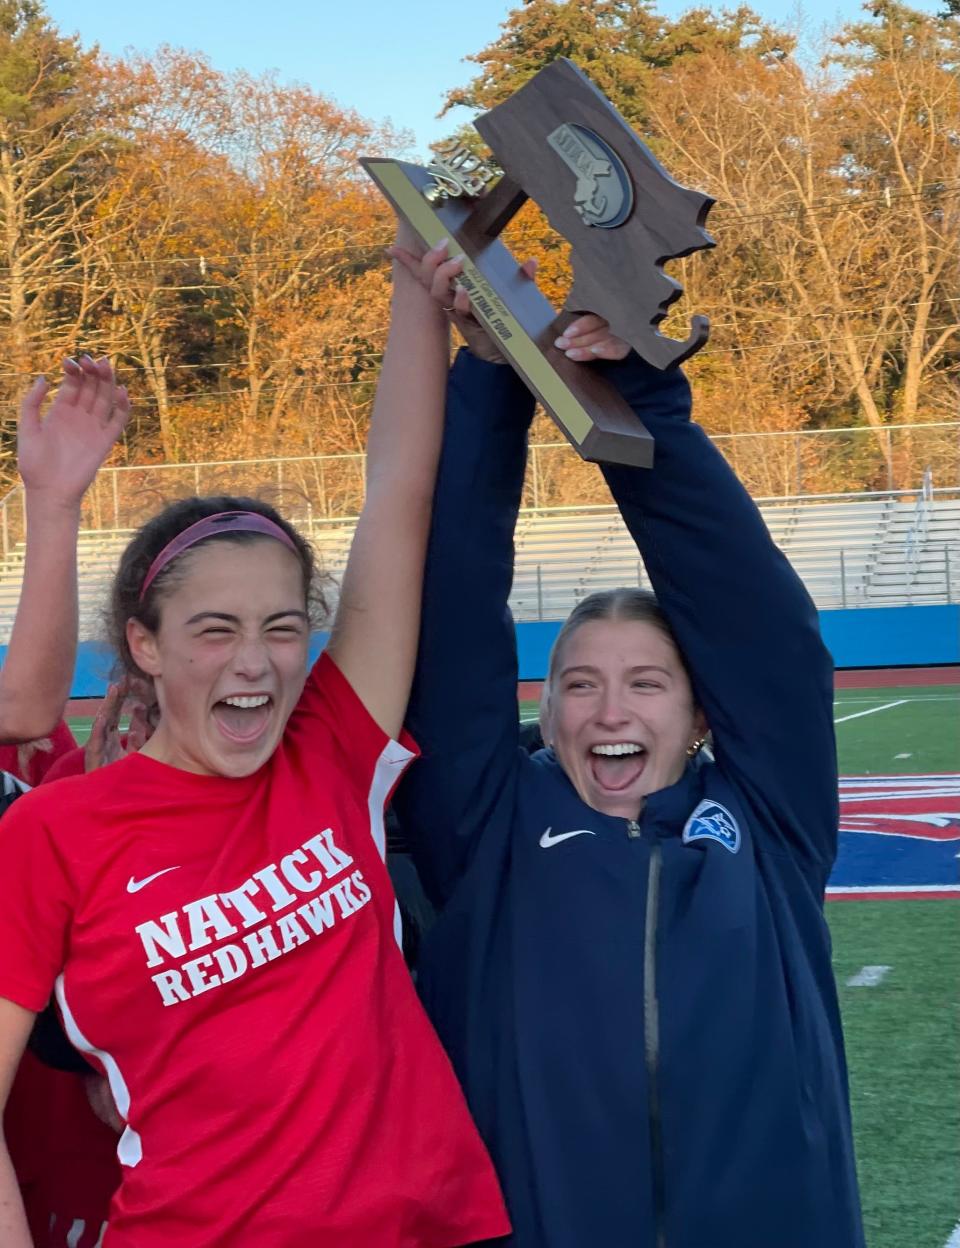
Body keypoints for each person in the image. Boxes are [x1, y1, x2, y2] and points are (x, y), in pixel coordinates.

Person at [0, 232, 510, 1247]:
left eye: (282, 629)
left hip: (436, 1226)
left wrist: (415, 287)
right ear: (144, 647)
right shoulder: (55, 830)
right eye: (215, 631)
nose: (256, 663)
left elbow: (398, 499)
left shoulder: (332, 746)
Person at [392, 273, 865, 1246]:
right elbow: (451, 626)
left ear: (700, 714)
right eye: (578, 683)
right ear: (545, 707)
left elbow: (757, 625)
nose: (610, 709)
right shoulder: (487, 831)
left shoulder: (768, 823)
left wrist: (639, 407)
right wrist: (491, 381)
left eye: (648, 683)